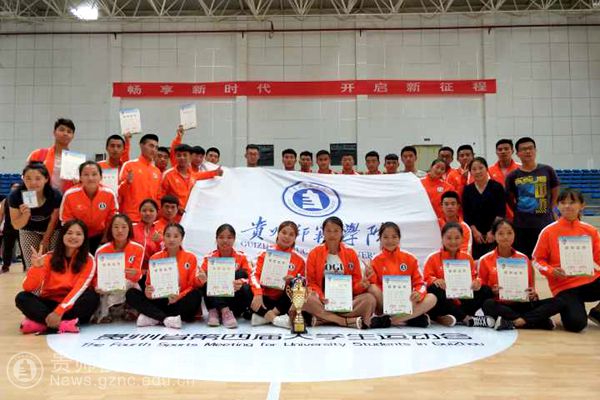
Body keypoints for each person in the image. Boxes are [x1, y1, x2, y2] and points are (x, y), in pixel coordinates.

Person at [533, 189, 600, 332]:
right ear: (558, 205)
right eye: (563, 203)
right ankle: (570, 306)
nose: (567, 206)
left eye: (572, 202)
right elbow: (537, 260)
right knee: (576, 325)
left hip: (588, 281)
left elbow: (599, 257)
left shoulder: (590, 231)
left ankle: (597, 312)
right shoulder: (548, 231)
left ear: (582, 205)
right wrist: (551, 271)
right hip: (564, 286)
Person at [15, 219, 99, 334]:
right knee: (22, 297)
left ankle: (42, 323)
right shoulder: (48, 257)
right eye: (69, 233)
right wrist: (36, 268)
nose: (73, 237)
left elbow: (78, 289)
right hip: (50, 303)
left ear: (84, 238)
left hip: (71, 304)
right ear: (62, 235)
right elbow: (28, 287)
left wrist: (59, 312)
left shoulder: (89, 260)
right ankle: (63, 324)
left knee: (92, 297)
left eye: (78, 234)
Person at [480, 219, 561, 330]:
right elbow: (482, 292)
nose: (505, 237)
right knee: (488, 304)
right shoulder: (485, 260)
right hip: (499, 305)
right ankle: (534, 321)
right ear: (494, 236)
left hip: (521, 304)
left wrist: (533, 294)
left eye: (509, 233)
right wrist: (492, 291)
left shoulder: (524, 259)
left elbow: (531, 289)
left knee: (558, 302)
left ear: (514, 234)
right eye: (501, 233)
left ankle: (514, 322)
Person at [126, 223, 203, 329]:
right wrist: (148, 292)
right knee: (131, 293)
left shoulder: (190, 257)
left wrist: (178, 296)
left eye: (176, 236)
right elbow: (149, 284)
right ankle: (166, 319)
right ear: (163, 238)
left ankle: (154, 316)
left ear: (182, 238)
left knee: (196, 294)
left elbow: (191, 285)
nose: (171, 239)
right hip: (160, 299)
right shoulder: (155, 258)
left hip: (178, 300)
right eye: (168, 235)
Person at [303, 216, 376, 328]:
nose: (332, 234)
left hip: (345, 302)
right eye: (328, 231)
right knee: (306, 297)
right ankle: (343, 321)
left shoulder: (351, 253)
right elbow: (311, 283)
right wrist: (321, 297)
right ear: (323, 233)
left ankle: (324, 319)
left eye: (336, 231)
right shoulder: (314, 253)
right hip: (322, 301)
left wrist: (362, 285)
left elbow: (355, 285)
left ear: (342, 233)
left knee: (369, 299)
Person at [367, 222, 437, 328]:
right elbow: (373, 285)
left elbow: (420, 283)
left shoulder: (410, 258)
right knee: (372, 288)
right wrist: (368, 276)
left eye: (394, 237)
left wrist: (419, 293)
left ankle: (391, 321)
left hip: (406, 302)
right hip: (385, 304)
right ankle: (409, 319)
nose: (390, 241)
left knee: (432, 298)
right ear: (380, 239)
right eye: (385, 237)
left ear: (399, 238)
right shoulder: (375, 260)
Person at [423, 222, 494, 327]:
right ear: (442, 238)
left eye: (457, 238)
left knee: (486, 290)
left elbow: (475, 277)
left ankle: (451, 317)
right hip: (444, 301)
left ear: (462, 239)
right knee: (434, 288)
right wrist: (435, 280)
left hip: (462, 299)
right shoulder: (432, 258)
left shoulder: (467, 257)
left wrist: (476, 283)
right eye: (449, 238)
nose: (453, 241)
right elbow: (425, 279)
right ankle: (465, 318)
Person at [506, 137, 559, 258]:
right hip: (522, 225)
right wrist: (518, 211)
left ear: (535, 150)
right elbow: (509, 198)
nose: (528, 151)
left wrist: (552, 208)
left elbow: (555, 189)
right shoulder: (512, 176)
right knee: (524, 258)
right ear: (518, 154)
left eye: (530, 148)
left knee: (547, 257)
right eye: (523, 149)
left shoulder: (547, 170)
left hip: (545, 222)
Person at [250, 221, 306, 329]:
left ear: (295, 238)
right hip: (262, 300)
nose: (287, 237)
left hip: (282, 303)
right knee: (246, 288)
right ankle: (275, 319)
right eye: (284, 232)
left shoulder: (299, 261)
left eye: (291, 234)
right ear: (278, 234)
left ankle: (267, 317)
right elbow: (253, 276)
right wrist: (257, 293)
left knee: (298, 283)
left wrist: (292, 280)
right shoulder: (264, 254)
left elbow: (303, 286)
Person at [9, 163, 62, 270]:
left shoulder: (55, 195)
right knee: (32, 265)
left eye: (38, 178)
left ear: (46, 179)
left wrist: (45, 239)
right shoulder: (16, 196)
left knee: (53, 263)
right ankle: (34, 281)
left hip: (52, 229)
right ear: (23, 179)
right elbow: (16, 225)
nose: (33, 183)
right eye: (28, 178)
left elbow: (54, 219)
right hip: (29, 229)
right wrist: (25, 215)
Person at [93, 214, 144, 323]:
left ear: (129, 229)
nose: (120, 230)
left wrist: (136, 274)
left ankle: (123, 310)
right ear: (110, 229)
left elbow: (136, 276)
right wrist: (96, 285)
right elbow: (96, 275)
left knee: (130, 285)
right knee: (103, 288)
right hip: (107, 285)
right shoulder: (101, 250)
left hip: (127, 284)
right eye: (116, 227)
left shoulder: (138, 248)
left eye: (124, 227)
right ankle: (107, 313)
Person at [200, 224, 253, 328]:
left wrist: (241, 281)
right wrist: (201, 278)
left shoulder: (242, 257)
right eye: (221, 237)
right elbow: (199, 281)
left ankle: (225, 310)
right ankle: (220, 310)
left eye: (229, 237)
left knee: (240, 274)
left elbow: (252, 278)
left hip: (234, 301)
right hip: (213, 302)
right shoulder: (209, 258)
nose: (225, 240)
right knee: (206, 277)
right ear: (216, 239)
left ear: (234, 239)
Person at [59, 161, 118, 254]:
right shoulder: (70, 195)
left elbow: (112, 219)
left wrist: (105, 238)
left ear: (101, 177)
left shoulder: (109, 194)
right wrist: (76, 238)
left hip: (101, 236)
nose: (90, 178)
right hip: (76, 237)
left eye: (94, 174)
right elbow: (66, 220)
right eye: (86, 174)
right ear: (80, 177)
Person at [462, 157, 506, 259]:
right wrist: (474, 232)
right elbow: (467, 214)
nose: (478, 171)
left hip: (495, 233)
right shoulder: (468, 190)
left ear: (486, 169)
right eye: (474, 169)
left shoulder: (497, 187)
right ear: (470, 172)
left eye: (480, 168)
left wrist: (492, 231)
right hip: (476, 235)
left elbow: (501, 212)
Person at [160, 144, 221, 212]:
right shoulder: (168, 175)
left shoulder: (193, 175)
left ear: (190, 157)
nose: (182, 158)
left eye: (185, 155)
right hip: (173, 214)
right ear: (175, 157)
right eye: (179, 155)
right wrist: (176, 207)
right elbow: (161, 196)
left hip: (189, 214)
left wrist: (216, 172)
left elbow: (204, 175)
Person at [119, 134, 162, 223]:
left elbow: (158, 197)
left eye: (156, 147)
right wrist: (127, 183)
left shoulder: (157, 171)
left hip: (150, 219)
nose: (154, 150)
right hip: (131, 218)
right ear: (141, 145)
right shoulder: (129, 165)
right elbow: (119, 193)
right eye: (151, 146)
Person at [27, 118, 76, 193]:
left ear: (72, 136)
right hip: (42, 197)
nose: (65, 133)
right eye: (62, 130)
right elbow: (26, 179)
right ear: (54, 132)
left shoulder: (76, 161)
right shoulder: (37, 154)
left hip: (66, 198)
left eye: (69, 132)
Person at [488, 139, 520, 221]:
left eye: (506, 149)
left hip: (518, 214)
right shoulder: (488, 171)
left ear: (512, 151)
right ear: (496, 152)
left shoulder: (521, 169)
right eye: (500, 149)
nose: (503, 151)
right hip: (496, 216)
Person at [132, 199, 162, 281]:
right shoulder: (131, 228)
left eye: (151, 210)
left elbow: (162, 256)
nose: (148, 213)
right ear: (139, 212)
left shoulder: (160, 232)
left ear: (157, 212)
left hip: (151, 274)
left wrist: (158, 243)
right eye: (144, 210)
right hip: (132, 272)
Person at [1, 182, 20, 273]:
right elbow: (1, 214)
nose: (15, 188)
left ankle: (26, 266)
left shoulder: (24, 199)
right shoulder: (5, 200)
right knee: (7, 248)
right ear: (11, 188)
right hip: (8, 227)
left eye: (17, 187)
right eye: (14, 187)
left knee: (23, 247)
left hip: (21, 227)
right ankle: (5, 266)